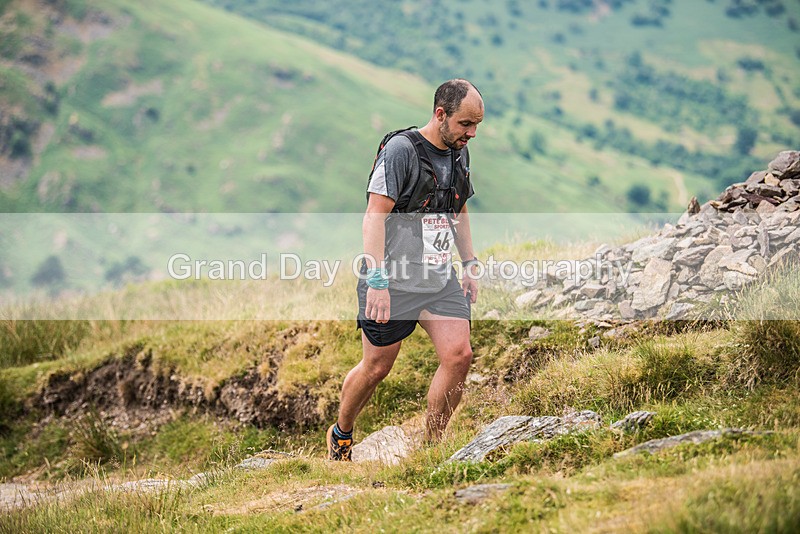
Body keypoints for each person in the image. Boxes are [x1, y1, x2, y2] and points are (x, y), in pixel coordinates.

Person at [327, 79, 484, 461]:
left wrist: (469, 263)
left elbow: (458, 208)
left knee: (459, 355)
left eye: (477, 125)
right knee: (377, 367)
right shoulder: (401, 151)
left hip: (436, 276)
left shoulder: (459, 151)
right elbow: (373, 217)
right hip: (391, 280)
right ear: (440, 114)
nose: (472, 133)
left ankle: (430, 448)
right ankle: (341, 433)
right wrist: (377, 280)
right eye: (465, 124)